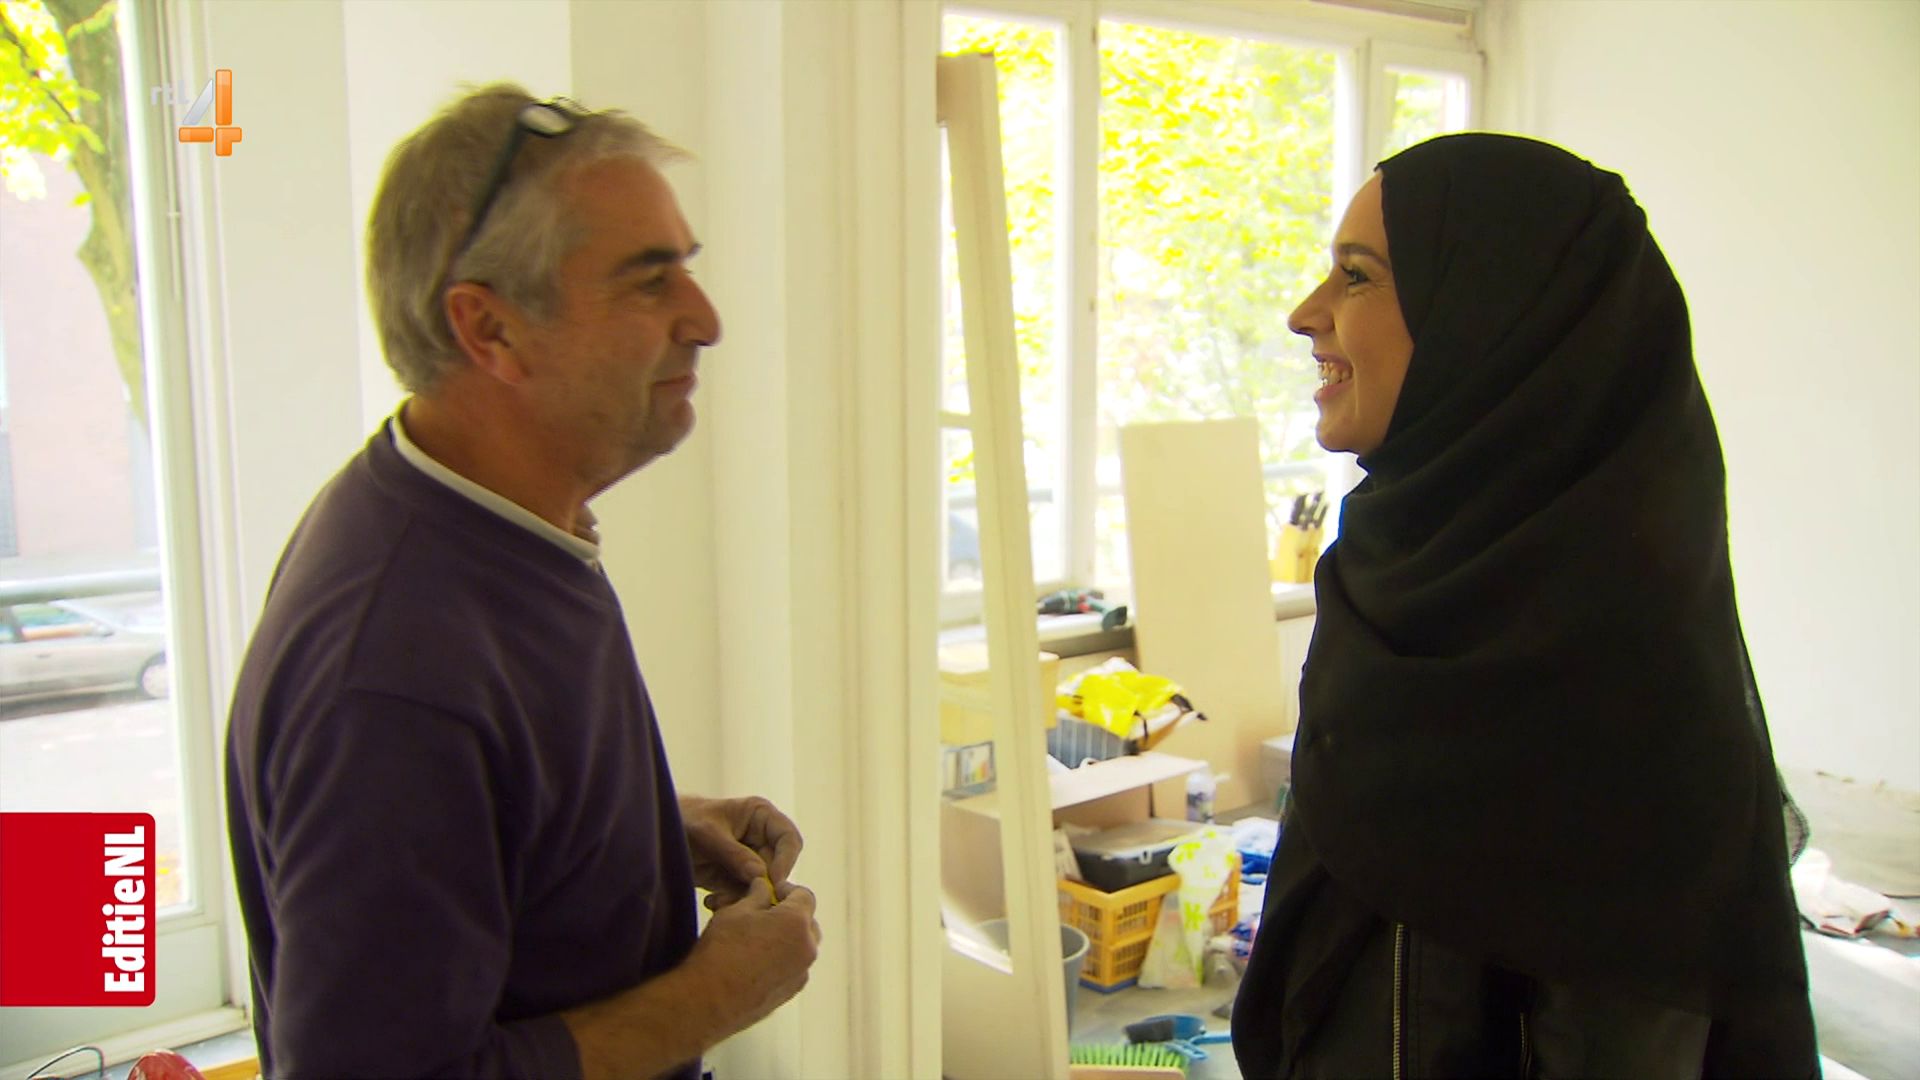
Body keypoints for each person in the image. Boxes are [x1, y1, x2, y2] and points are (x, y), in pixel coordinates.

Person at [225, 85, 820, 1080]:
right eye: (649, 281)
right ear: (489, 330)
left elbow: (466, 821)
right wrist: (715, 996)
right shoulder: (395, 673)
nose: (705, 319)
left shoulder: (499, 526)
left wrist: (637, 836)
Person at [1232, 134, 1817, 1077]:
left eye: (1357, 276)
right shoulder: (1390, 574)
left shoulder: (1619, 675)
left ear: (1492, 322)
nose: (1306, 314)